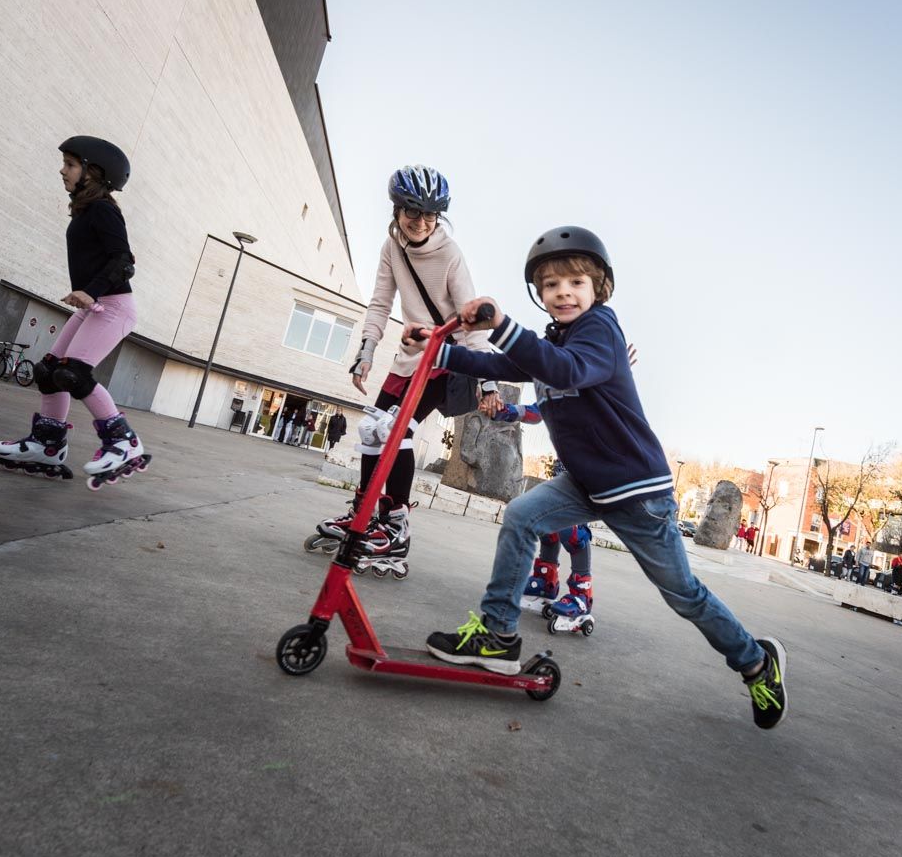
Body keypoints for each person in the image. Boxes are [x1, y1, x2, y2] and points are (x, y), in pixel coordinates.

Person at [401, 225, 786, 728]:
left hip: (637, 493)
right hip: (585, 483)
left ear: (598, 288)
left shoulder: (601, 330)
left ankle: (756, 662)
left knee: (684, 595)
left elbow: (566, 370)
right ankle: (497, 636)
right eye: (551, 285)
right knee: (521, 517)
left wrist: (501, 324)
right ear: (540, 294)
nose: (563, 293)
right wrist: (438, 349)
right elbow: (509, 363)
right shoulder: (554, 341)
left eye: (575, 282)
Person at [309, 166, 500, 571]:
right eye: (413, 211)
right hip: (409, 356)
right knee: (372, 429)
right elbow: (380, 302)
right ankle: (364, 515)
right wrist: (366, 351)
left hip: (446, 360)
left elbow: (473, 319)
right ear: (397, 210)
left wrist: (487, 381)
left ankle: (396, 528)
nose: (421, 222)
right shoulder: (391, 248)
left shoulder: (450, 254)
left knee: (398, 431)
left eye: (430, 214)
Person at [0, 137, 146, 488]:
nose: (63, 170)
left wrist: (91, 290)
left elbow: (124, 261)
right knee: (48, 372)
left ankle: (122, 441)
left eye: (71, 165)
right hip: (94, 307)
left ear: (94, 172)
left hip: (114, 307)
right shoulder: (87, 210)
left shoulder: (103, 209)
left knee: (73, 373)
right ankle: (48, 444)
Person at [495, 400, 598, 633]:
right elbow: (536, 411)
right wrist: (505, 411)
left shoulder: (599, 395)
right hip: (565, 475)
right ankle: (545, 581)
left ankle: (582, 594)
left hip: (590, 476)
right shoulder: (563, 393)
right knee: (547, 525)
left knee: (573, 532)